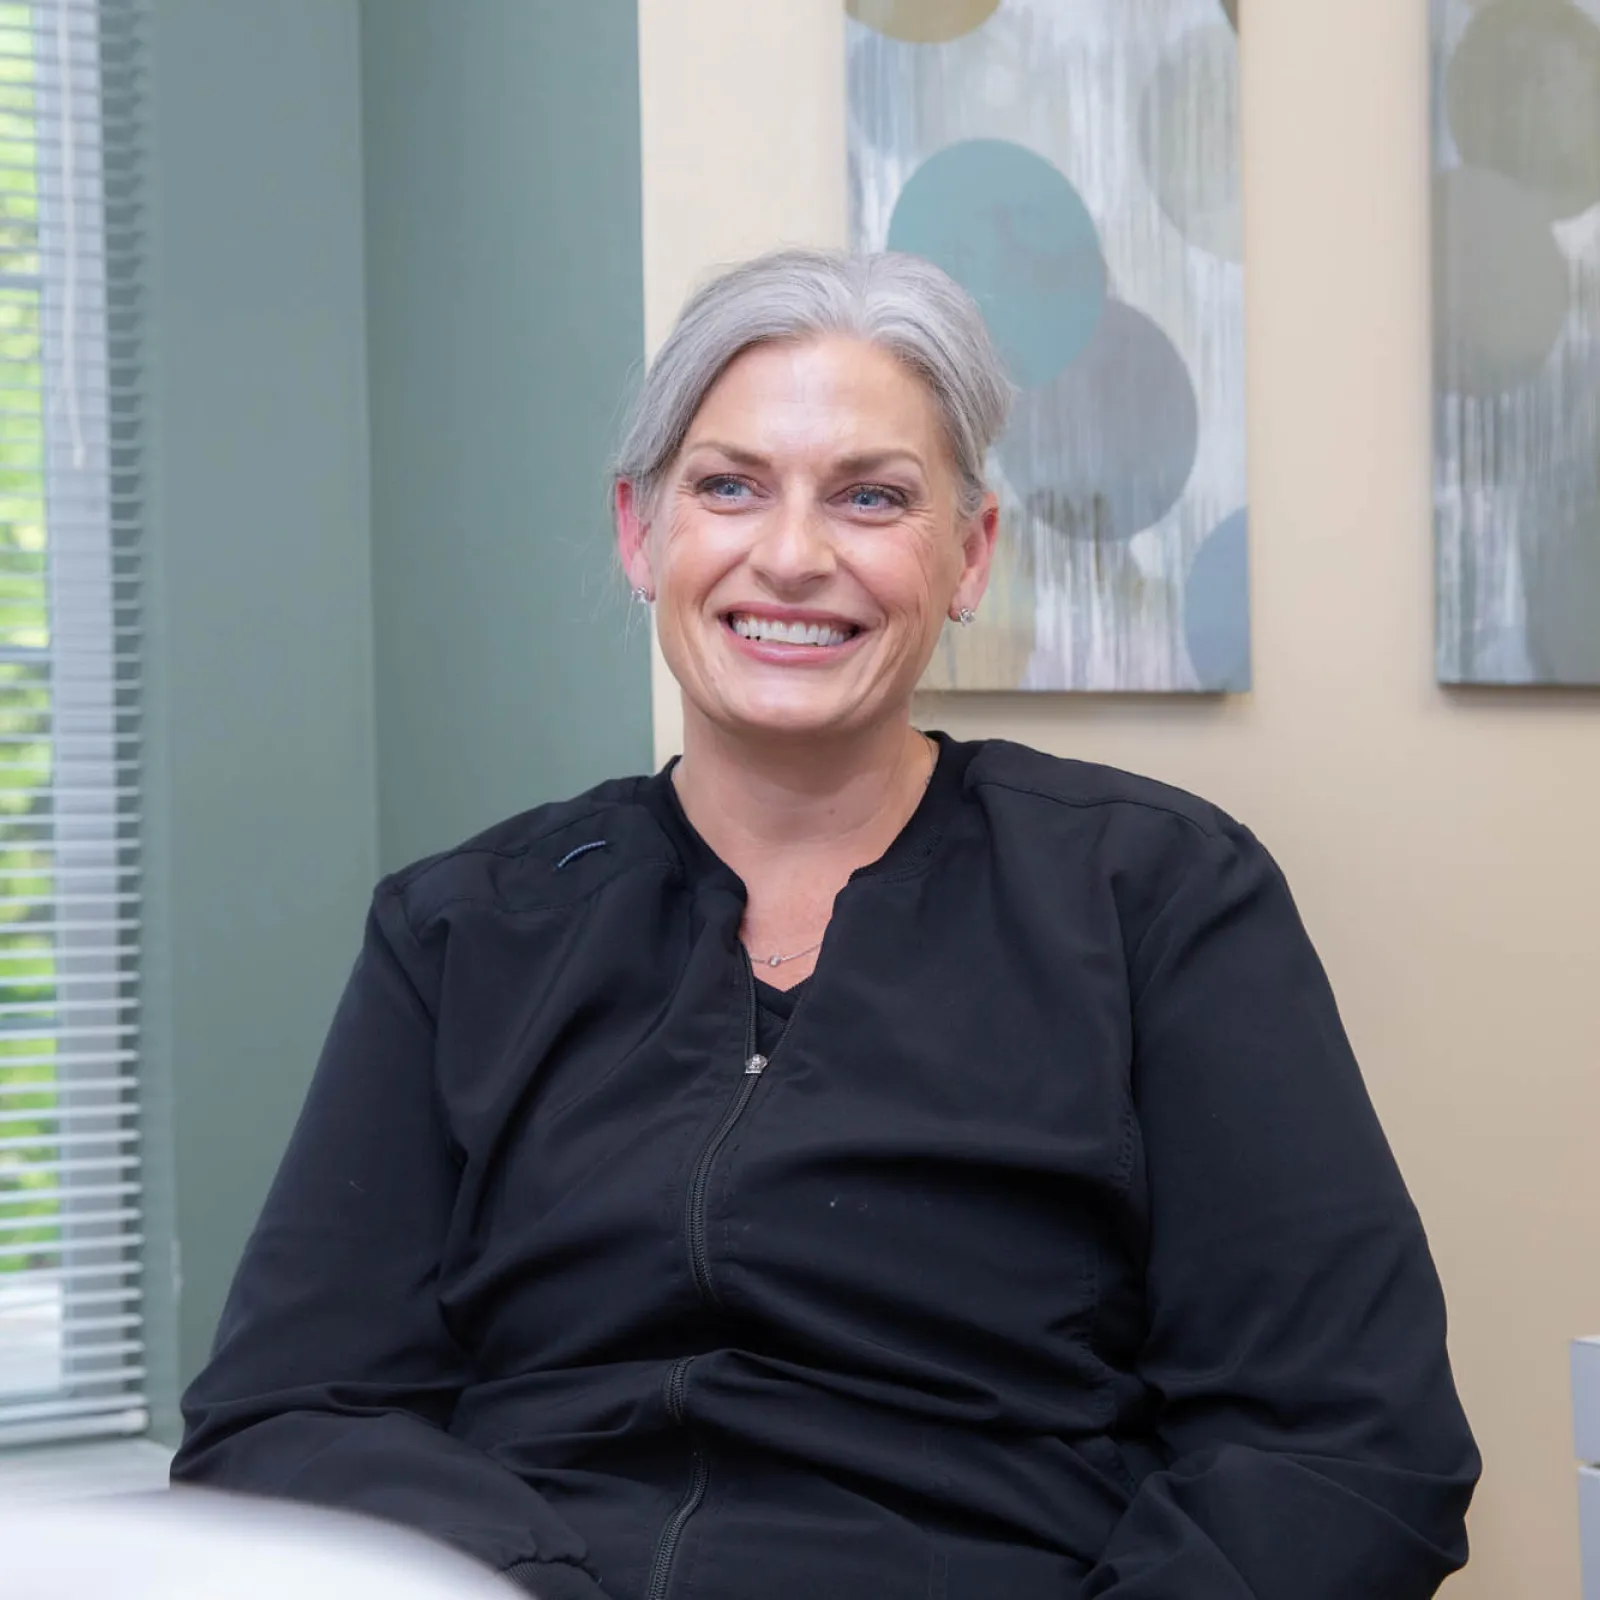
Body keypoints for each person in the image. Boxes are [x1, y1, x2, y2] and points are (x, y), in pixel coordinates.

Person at [172, 249, 1480, 1599]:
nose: (791, 557)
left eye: (871, 497)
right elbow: (286, 1417)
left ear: (969, 555)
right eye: (729, 487)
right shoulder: (462, 932)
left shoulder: (1159, 899)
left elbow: (1347, 1447)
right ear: (642, 534)